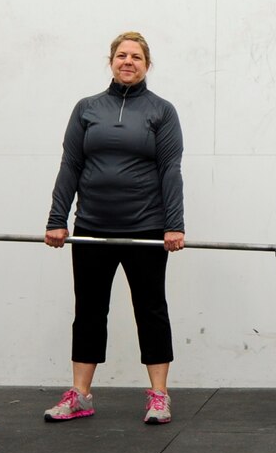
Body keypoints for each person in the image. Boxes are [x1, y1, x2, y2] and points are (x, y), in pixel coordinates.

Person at [42, 33, 184, 425]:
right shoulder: (87, 109)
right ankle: (80, 396)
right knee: (88, 310)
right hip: (91, 229)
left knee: (151, 309)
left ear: (147, 65)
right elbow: (70, 164)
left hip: (147, 227)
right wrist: (57, 219)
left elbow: (170, 169)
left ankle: (159, 396)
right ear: (111, 61)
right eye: (122, 55)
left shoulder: (162, 111)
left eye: (136, 57)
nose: (128, 61)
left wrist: (174, 224)